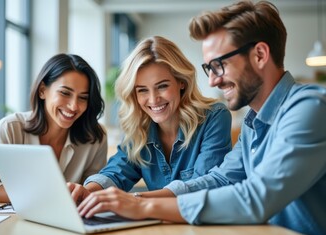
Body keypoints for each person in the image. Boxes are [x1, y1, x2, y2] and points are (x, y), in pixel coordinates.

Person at [73, 2, 326, 235]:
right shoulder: (253, 121)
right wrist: (124, 199)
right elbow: (221, 179)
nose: (213, 81)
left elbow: (256, 198)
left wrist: (144, 205)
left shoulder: (309, 107)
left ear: (259, 55)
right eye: (209, 69)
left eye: (219, 65)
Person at [68, 36, 232, 203]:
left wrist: (136, 200)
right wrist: (87, 191)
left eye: (162, 86)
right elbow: (117, 171)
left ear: (181, 81)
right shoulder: (139, 125)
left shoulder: (214, 117)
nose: (153, 100)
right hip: (159, 224)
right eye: (142, 90)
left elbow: (205, 186)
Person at [0, 53, 107, 202]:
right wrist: (44, 196)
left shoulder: (95, 137)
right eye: (65, 93)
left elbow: (95, 190)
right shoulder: (10, 128)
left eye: (83, 97)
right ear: (42, 90)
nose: (74, 106)